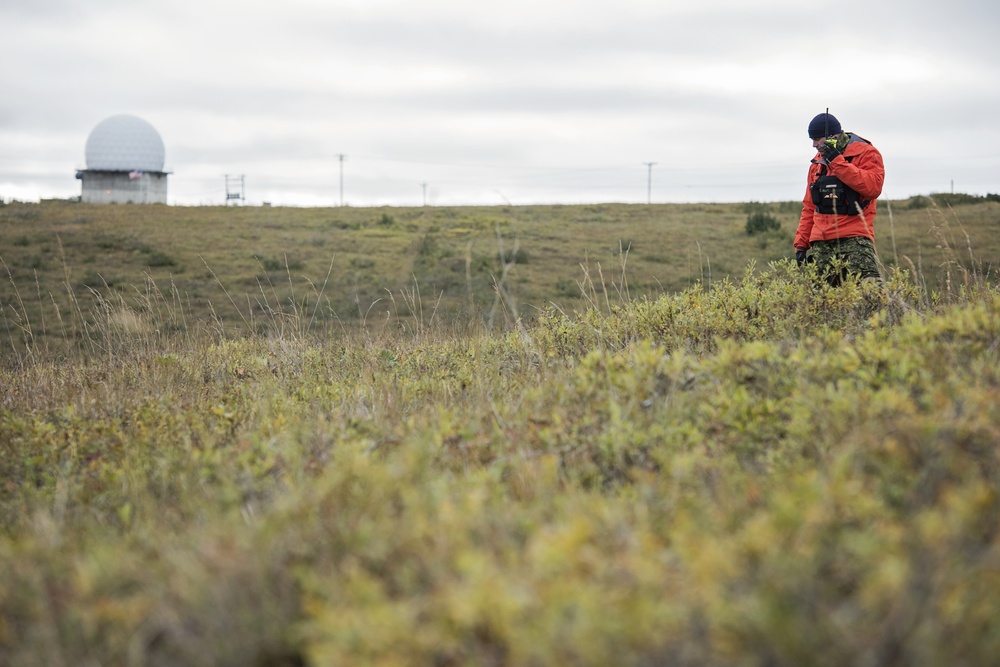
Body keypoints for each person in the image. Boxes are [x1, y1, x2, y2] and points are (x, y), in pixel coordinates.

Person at [794, 112, 885, 285]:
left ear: (833, 136)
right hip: (821, 242)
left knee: (871, 295)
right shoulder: (817, 164)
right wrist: (801, 244)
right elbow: (809, 207)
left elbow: (873, 188)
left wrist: (837, 161)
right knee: (820, 303)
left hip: (856, 238)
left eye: (817, 139)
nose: (814, 145)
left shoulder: (866, 153)